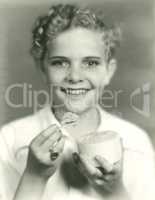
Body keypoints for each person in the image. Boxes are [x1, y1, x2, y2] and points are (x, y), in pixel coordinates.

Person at [0, 3, 155, 200]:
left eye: (91, 63)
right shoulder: (10, 140)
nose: (74, 76)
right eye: (60, 62)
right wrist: (33, 176)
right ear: (42, 69)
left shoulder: (135, 142)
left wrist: (115, 192)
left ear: (109, 71)